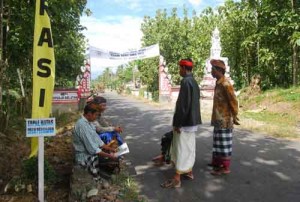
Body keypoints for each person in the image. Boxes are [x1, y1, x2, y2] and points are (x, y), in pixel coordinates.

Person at [161, 58, 202, 188]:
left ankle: (177, 178)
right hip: (192, 121)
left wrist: (178, 124)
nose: (179, 70)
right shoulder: (194, 82)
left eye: (180, 68)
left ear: (184, 68)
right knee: (189, 147)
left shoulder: (185, 81)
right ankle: (189, 172)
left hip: (184, 123)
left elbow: (183, 106)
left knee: (181, 148)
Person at [209, 59, 239, 175]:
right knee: (218, 142)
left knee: (224, 144)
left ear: (218, 70)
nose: (211, 71)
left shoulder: (226, 84)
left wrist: (235, 115)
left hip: (225, 119)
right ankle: (217, 163)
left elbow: (233, 101)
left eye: (212, 69)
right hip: (218, 118)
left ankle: (225, 168)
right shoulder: (218, 83)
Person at [73, 104, 119, 180]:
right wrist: (110, 156)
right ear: (89, 114)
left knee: (112, 158)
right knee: (110, 160)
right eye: (96, 115)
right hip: (84, 157)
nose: (96, 117)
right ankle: (98, 177)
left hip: (90, 152)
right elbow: (93, 149)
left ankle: (102, 174)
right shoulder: (82, 126)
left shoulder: (89, 122)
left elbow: (97, 140)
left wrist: (111, 149)